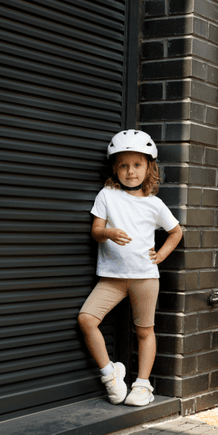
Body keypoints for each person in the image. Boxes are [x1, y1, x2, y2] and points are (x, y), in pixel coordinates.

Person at [78, 129, 183, 406]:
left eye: (137, 164)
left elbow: (176, 232)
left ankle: (143, 385)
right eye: (123, 165)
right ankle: (110, 373)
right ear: (115, 167)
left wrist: (161, 255)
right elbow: (95, 231)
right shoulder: (107, 195)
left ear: (149, 167)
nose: (130, 171)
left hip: (144, 277)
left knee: (144, 331)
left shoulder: (154, 204)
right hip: (112, 278)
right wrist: (109, 233)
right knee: (86, 320)